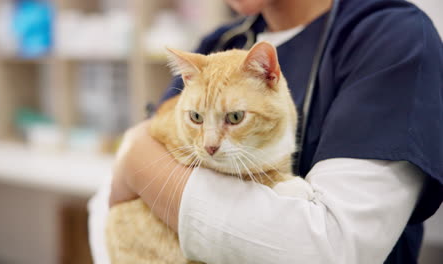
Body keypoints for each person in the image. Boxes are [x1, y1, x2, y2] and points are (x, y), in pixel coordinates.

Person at [88, 0, 443, 263]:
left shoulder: (392, 38)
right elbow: (109, 206)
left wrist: (137, 159)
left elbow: (331, 249)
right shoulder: (217, 45)